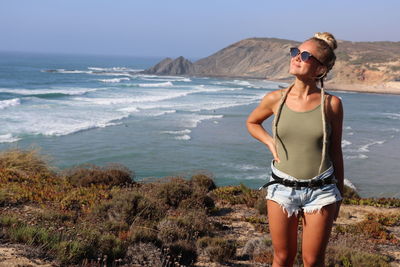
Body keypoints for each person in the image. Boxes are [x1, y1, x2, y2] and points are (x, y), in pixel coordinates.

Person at [246, 32, 344, 267]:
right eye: (295, 52)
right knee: (282, 257)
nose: (297, 58)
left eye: (306, 55)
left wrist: (339, 195)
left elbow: (336, 150)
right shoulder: (274, 99)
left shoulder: (331, 104)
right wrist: (270, 142)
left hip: (321, 191)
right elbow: (252, 122)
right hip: (281, 188)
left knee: (312, 261)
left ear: (320, 69)